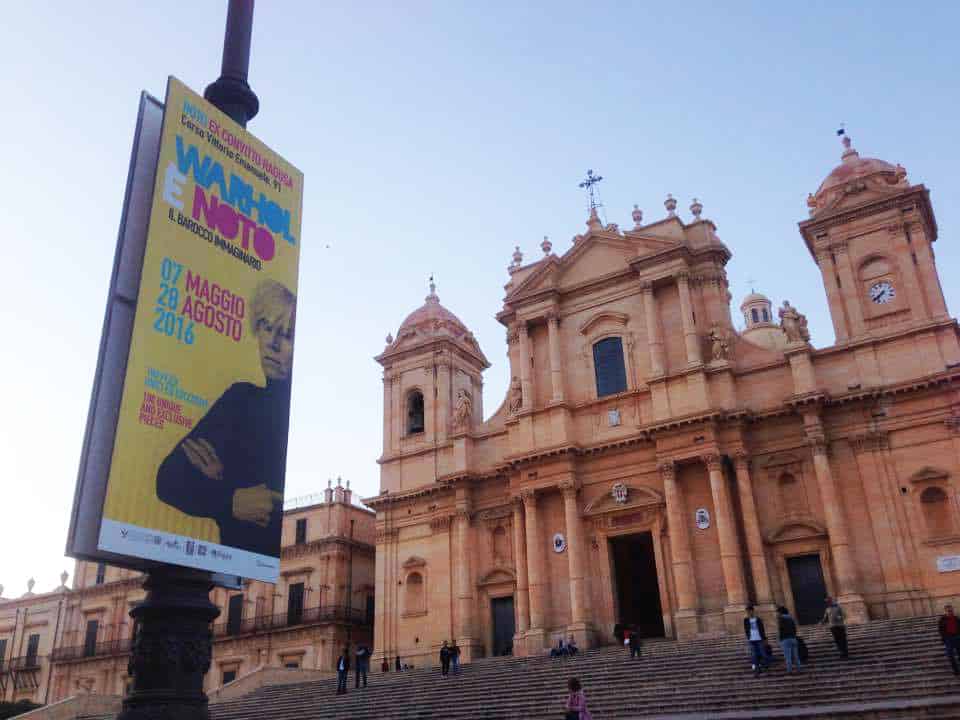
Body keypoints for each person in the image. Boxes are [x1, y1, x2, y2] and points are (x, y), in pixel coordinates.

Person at [156, 280, 296, 557]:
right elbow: (168, 478)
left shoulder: (291, 418)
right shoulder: (240, 400)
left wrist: (220, 479)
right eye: (267, 327)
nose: (273, 343)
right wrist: (230, 498)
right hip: (233, 566)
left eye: (287, 334)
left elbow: (268, 508)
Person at [743, 605, 769, 675]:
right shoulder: (746, 620)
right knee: (753, 655)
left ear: (752, 611)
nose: (748, 613)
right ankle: (757, 669)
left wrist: (764, 638)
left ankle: (765, 665)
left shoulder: (758, 619)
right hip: (751, 639)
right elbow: (746, 630)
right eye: (747, 611)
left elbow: (762, 629)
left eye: (749, 611)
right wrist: (748, 638)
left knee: (763, 653)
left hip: (759, 638)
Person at [777, 606, 802, 673]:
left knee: (787, 656)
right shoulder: (791, 618)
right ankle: (799, 669)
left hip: (785, 639)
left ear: (780, 612)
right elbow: (794, 628)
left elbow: (780, 629)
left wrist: (779, 639)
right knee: (796, 656)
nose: (777, 613)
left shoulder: (780, 618)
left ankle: (789, 670)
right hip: (793, 638)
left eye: (778, 612)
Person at [939, 604, 960, 675]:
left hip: (957, 637)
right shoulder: (942, 620)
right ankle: (956, 670)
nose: (951, 612)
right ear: (945, 611)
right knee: (950, 655)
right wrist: (944, 639)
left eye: (951, 610)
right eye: (949, 611)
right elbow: (941, 630)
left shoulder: (956, 618)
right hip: (948, 638)